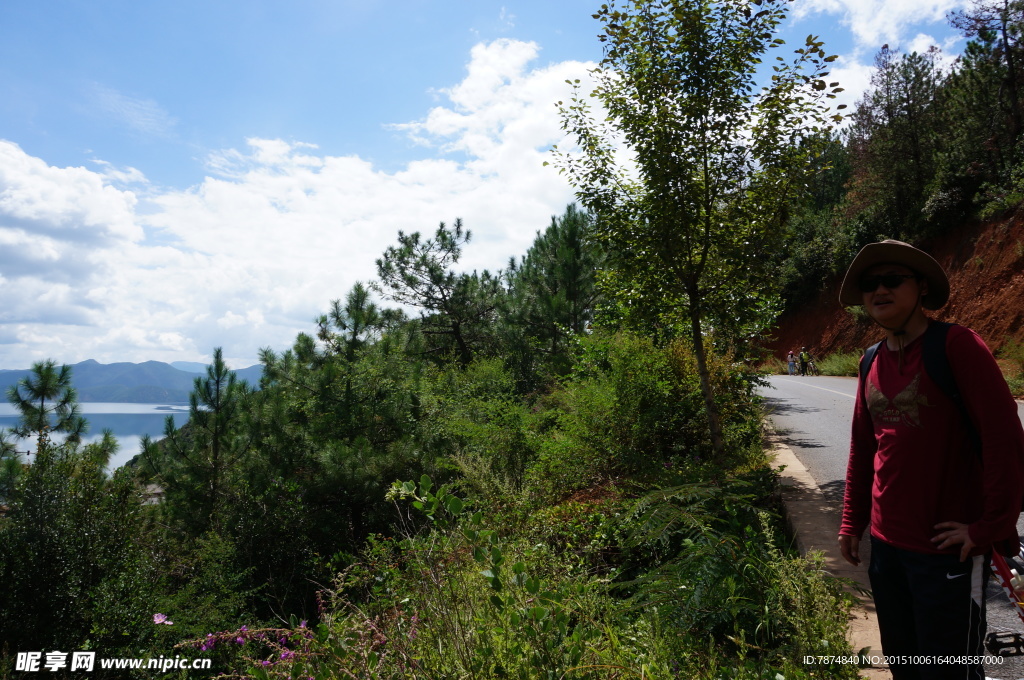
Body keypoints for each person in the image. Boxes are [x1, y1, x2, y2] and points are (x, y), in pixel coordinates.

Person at [837, 239, 1024, 680]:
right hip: (886, 549)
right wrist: (852, 521)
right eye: (869, 284)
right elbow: (864, 448)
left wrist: (988, 527)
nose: (879, 290)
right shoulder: (870, 360)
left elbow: (1005, 441)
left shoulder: (957, 346)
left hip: (947, 553)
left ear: (921, 287)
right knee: (904, 662)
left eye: (892, 279)